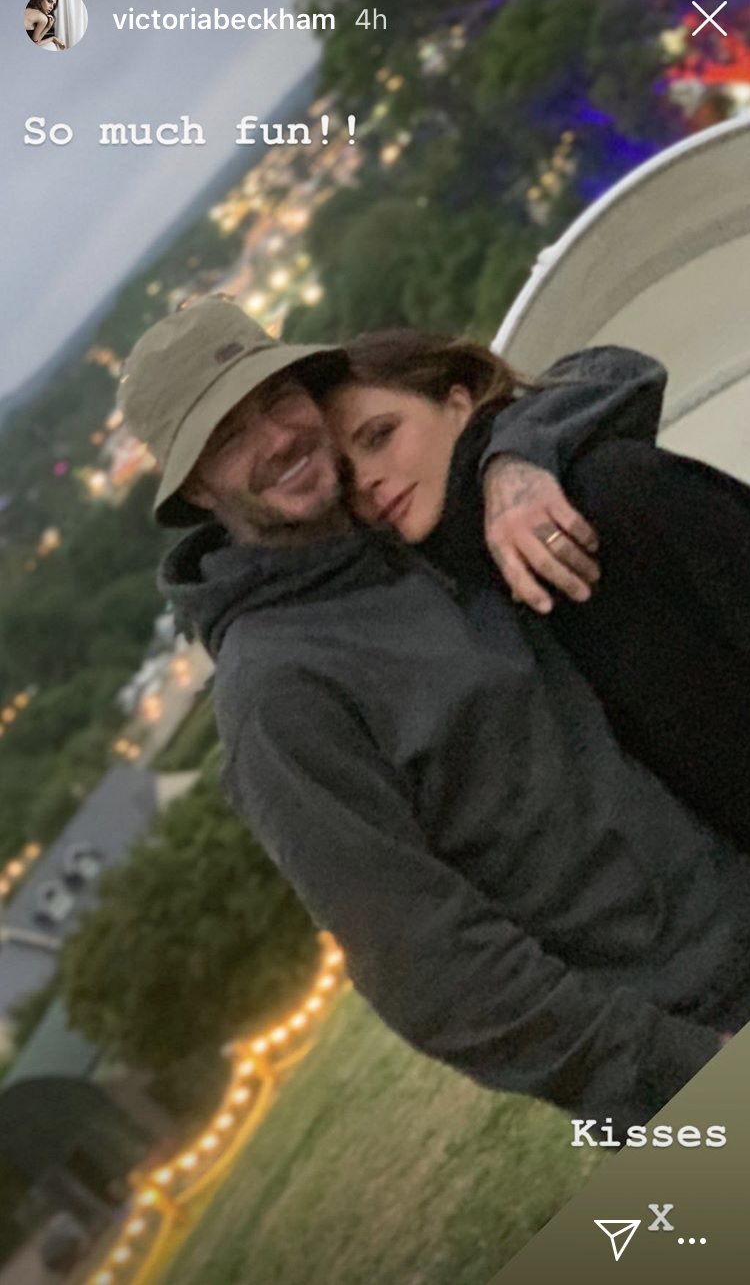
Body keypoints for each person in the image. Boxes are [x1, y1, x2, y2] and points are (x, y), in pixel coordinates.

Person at [119, 297, 750, 1135]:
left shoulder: (407, 534)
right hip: (689, 1028)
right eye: (228, 437)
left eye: (276, 399)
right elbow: (434, 972)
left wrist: (514, 460)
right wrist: (677, 1077)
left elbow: (597, 375)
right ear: (196, 486)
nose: (275, 438)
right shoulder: (275, 695)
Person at [325, 329, 750, 850]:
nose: (367, 479)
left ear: (457, 403)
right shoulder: (465, 616)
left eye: (380, 435)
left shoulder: (607, 491)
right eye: (345, 477)